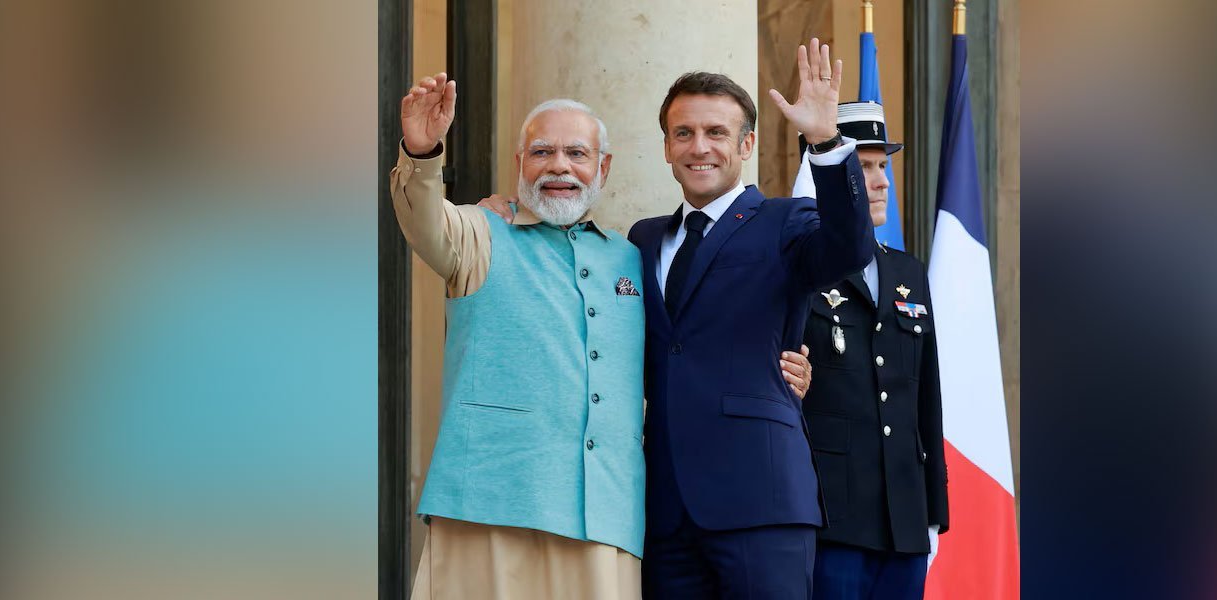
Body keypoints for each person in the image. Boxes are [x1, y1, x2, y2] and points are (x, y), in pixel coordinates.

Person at [390, 75, 812, 599]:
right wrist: (422, 152)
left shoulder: (631, 254)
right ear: (520, 163)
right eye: (541, 152)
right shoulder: (478, 233)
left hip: (604, 516)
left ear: (603, 167)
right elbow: (423, 220)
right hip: (490, 505)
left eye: (576, 152)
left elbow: (690, 340)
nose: (559, 166)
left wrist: (782, 365)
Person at [629, 39, 873, 598]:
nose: (700, 147)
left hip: (761, 501)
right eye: (683, 133)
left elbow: (850, 246)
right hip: (665, 512)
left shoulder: (786, 221)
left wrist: (826, 143)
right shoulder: (642, 239)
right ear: (666, 147)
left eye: (717, 133)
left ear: (748, 144)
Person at [796, 101, 948, 600]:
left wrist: (933, 512)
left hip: (903, 523)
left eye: (883, 166)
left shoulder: (909, 271)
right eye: (864, 167)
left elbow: (926, 397)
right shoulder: (798, 267)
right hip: (829, 522)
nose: (882, 181)